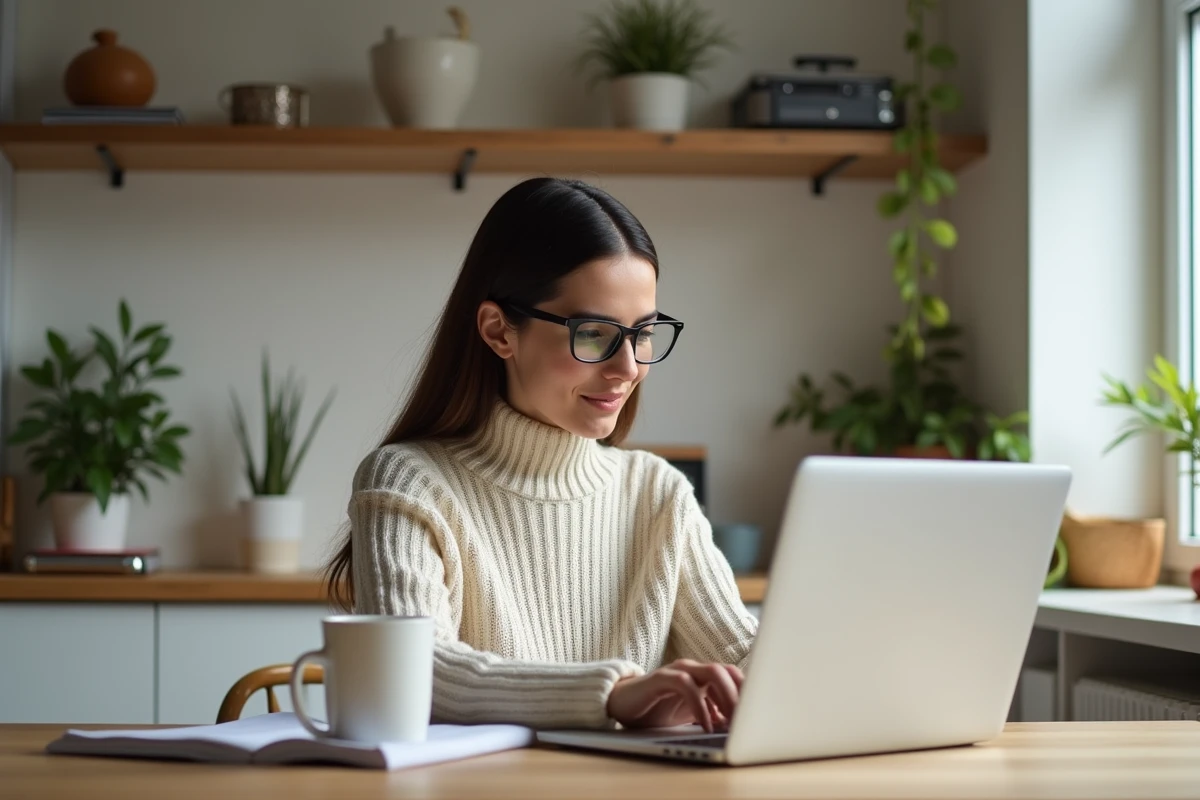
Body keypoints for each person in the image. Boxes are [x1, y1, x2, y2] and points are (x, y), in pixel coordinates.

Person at [323, 177, 757, 732]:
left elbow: (743, 655)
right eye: (595, 333)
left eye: (643, 333)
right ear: (499, 331)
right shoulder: (408, 482)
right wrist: (613, 694)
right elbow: (417, 671)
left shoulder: (658, 493)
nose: (628, 368)